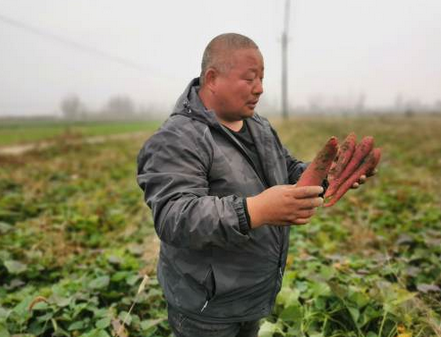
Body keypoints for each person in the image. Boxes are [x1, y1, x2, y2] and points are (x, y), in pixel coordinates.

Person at [136, 33, 369, 337]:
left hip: (253, 296)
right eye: (249, 78)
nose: (259, 88)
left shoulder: (258, 126)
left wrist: (325, 177)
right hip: (206, 310)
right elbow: (175, 216)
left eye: (262, 77)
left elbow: (286, 169)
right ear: (212, 78)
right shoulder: (178, 138)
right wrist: (255, 210)